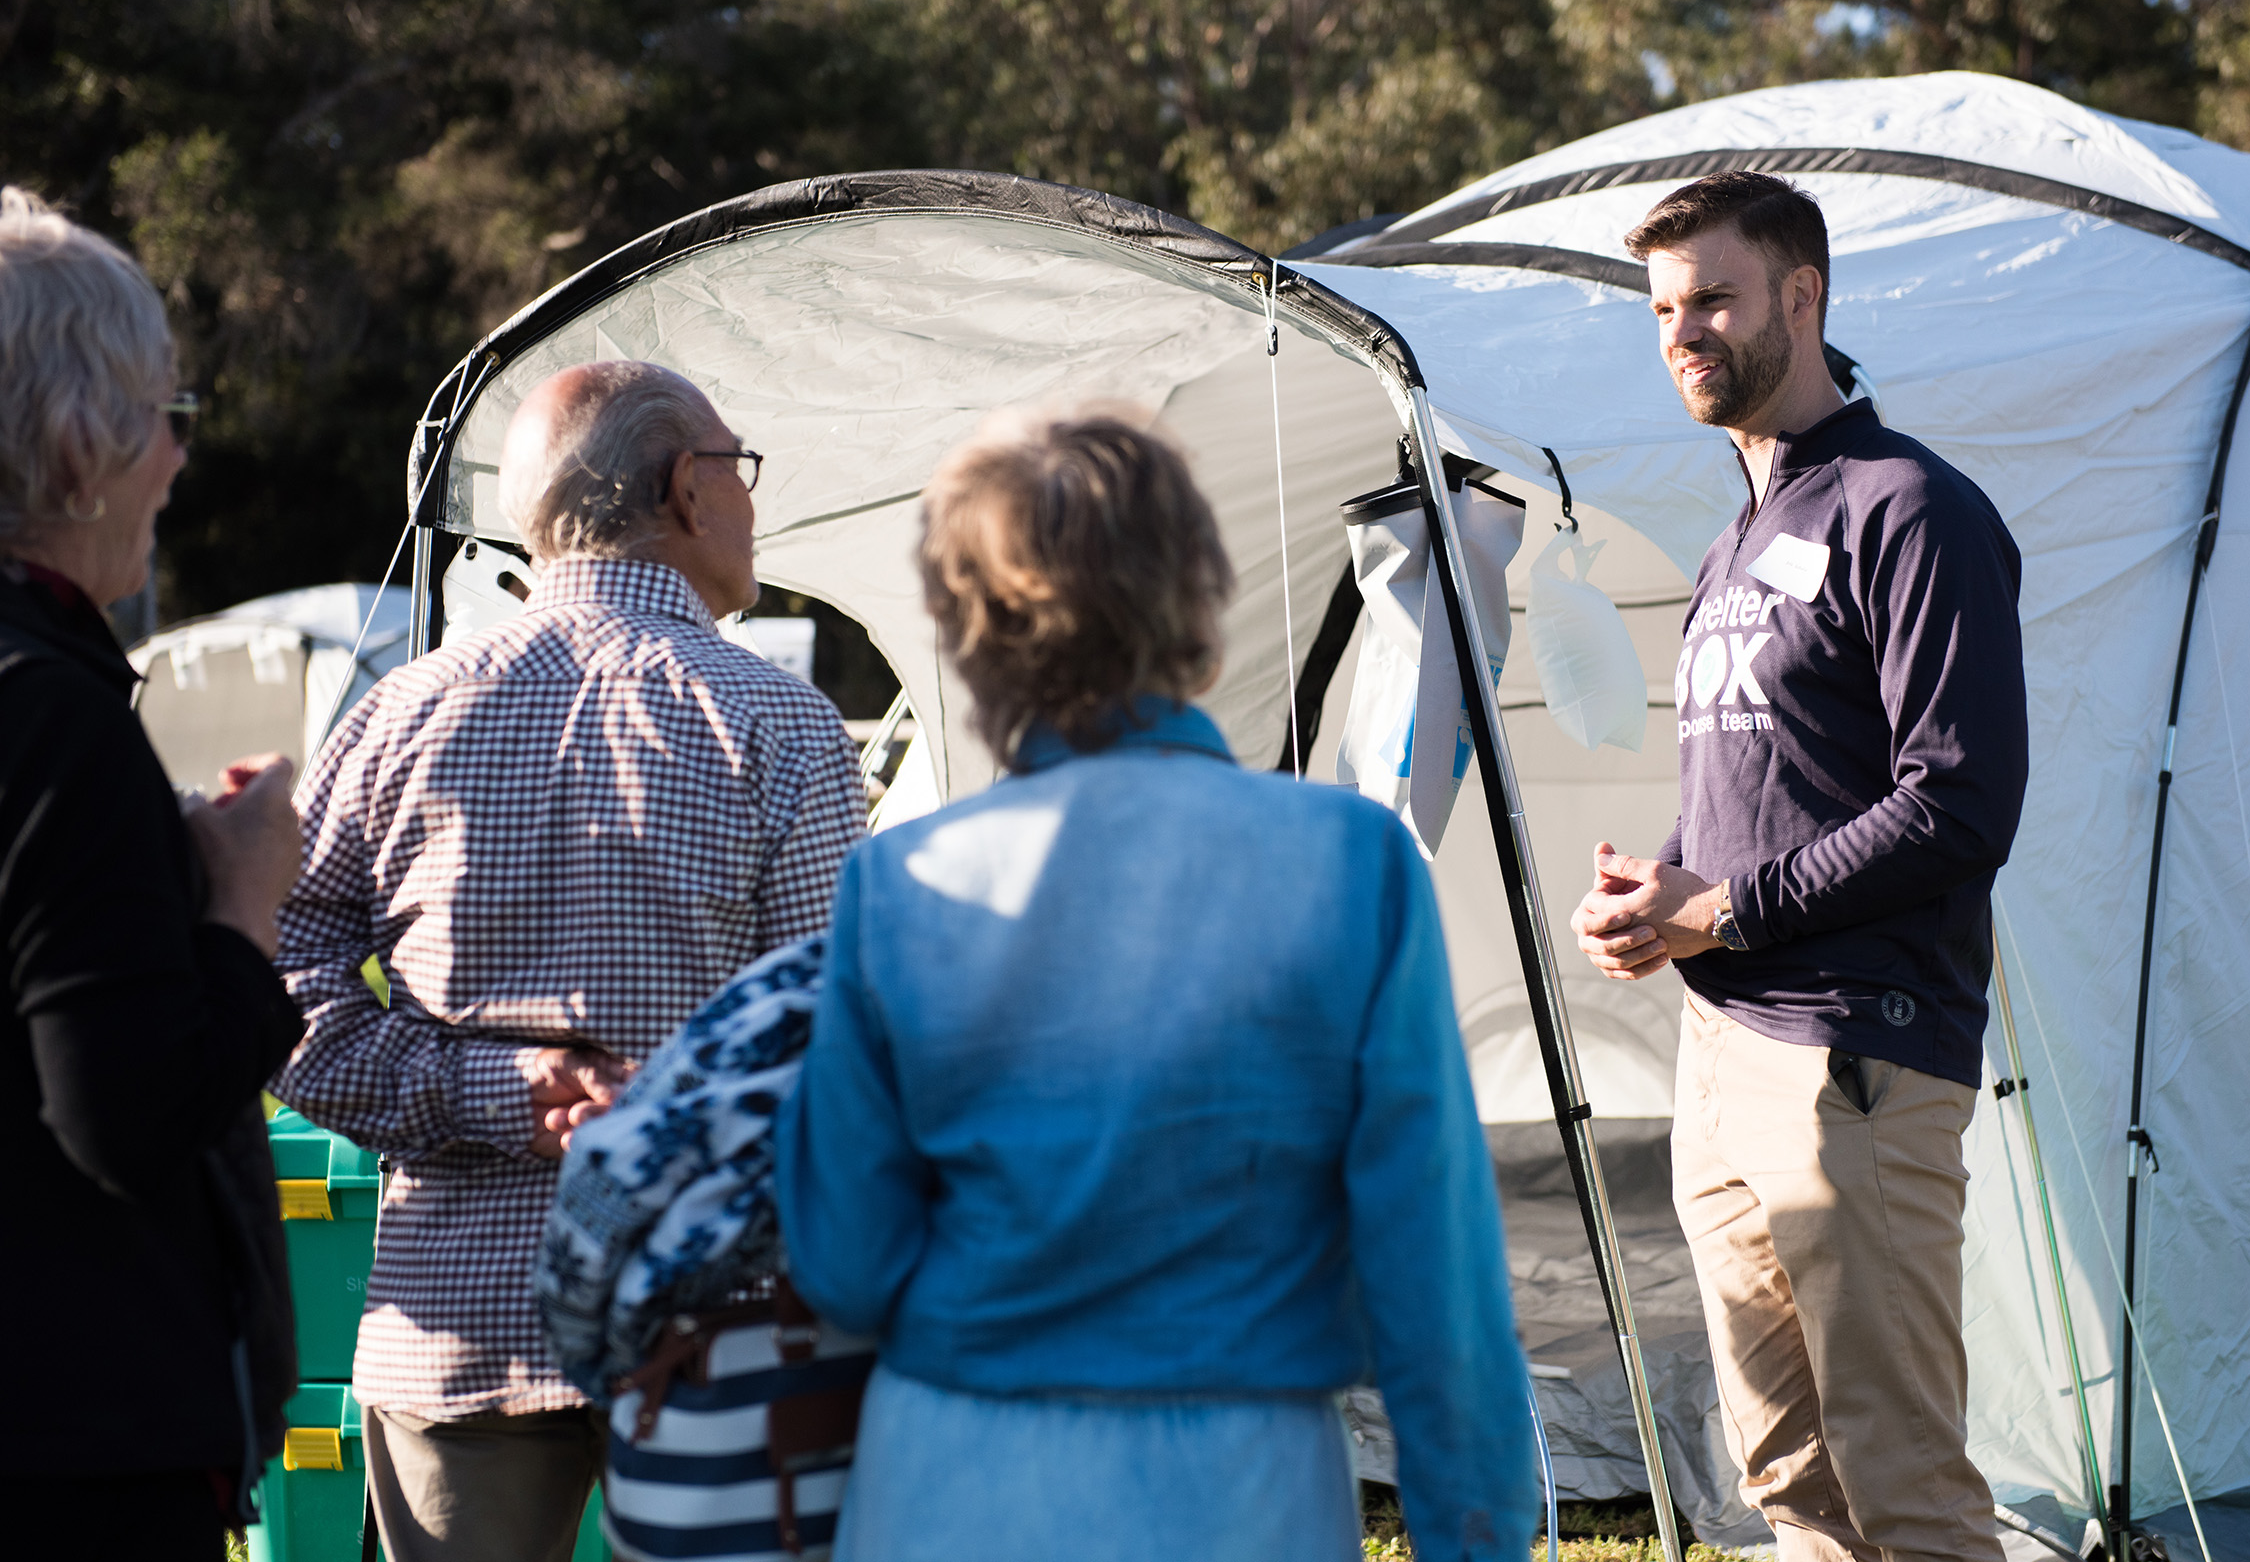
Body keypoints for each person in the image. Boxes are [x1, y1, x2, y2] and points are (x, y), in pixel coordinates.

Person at [775, 407, 1536, 1562]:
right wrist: (1472, 1533)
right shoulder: (1347, 862)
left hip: (953, 1475)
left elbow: (844, 1257)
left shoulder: (900, 881)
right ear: (1196, 594)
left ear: (969, 628)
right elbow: (1435, 1273)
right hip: (1237, 1485)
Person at [273, 360, 868, 1562]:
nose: (753, 502)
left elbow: (279, 995)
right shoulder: (780, 724)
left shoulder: (398, 715)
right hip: (720, 1328)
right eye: (738, 468)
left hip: (455, 1326)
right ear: (686, 491)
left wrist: (501, 1093)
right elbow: (839, 1042)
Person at [1570, 172, 2027, 1562]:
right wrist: (1663, 891)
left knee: (1906, 1488)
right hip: (1724, 1054)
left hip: (1859, 1063)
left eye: (1712, 296)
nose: (1683, 332)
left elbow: (1959, 803)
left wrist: (1726, 909)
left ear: (1802, 296)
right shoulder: (1737, 538)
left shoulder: (1913, 509)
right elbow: (1759, 790)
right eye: (1662, 309)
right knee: (1790, 1484)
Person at [0, 187, 307, 1556]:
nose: (180, 467)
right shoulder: (50, 707)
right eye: (167, 421)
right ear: (80, 445)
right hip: (73, 1450)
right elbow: (124, 1119)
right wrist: (242, 902)